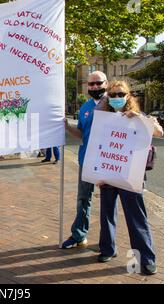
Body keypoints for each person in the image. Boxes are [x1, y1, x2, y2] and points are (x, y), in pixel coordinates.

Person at [95, 80, 163, 275]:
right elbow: (97, 147)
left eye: (121, 94)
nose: (117, 98)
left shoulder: (139, 116)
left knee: (136, 217)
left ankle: (147, 258)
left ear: (128, 96)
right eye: (113, 95)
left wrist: (140, 119)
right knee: (106, 213)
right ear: (108, 97)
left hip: (131, 176)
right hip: (109, 173)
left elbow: (159, 132)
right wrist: (98, 173)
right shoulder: (104, 118)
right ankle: (107, 249)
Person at [61, 71, 108, 249]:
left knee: (109, 202)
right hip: (87, 159)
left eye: (98, 83)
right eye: (91, 84)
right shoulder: (85, 108)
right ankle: (79, 235)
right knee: (83, 198)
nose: (95, 87)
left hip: (109, 161)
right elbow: (81, 133)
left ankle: (107, 243)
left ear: (106, 83)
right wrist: (66, 127)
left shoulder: (115, 103)